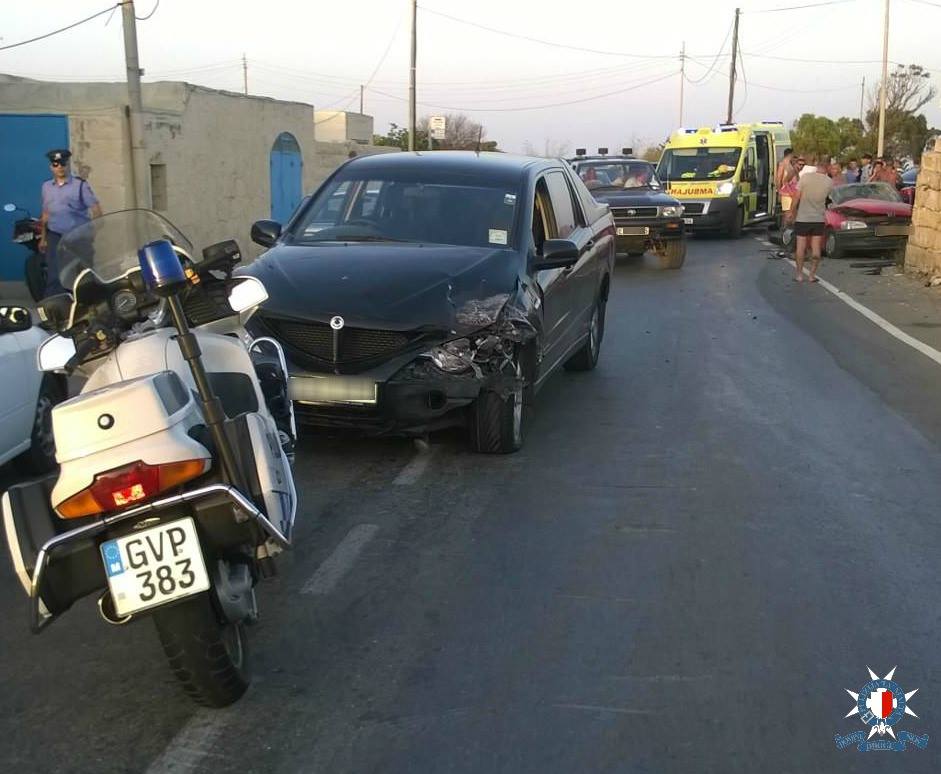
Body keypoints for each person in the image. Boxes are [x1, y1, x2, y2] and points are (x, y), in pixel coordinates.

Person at [39, 149, 102, 296]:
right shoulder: (46, 187)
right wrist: (43, 238)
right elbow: (46, 214)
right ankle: (55, 308)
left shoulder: (80, 185)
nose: (60, 167)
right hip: (55, 235)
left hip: (78, 236)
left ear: (68, 165)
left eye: (63, 164)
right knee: (54, 274)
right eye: (56, 164)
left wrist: (93, 231)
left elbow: (96, 209)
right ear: (51, 167)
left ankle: (88, 305)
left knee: (84, 273)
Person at [786, 158, 833, 283]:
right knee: (816, 247)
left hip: (803, 218)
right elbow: (828, 198)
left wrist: (791, 212)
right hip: (818, 219)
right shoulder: (829, 182)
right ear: (827, 168)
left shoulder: (805, 178)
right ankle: (812, 275)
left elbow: (797, 196)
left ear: (816, 167)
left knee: (800, 247)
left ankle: (799, 275)